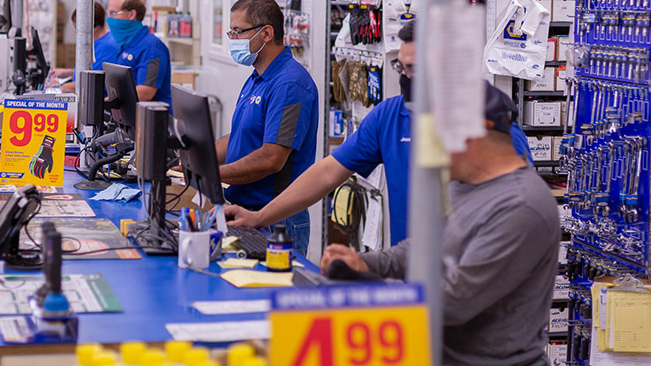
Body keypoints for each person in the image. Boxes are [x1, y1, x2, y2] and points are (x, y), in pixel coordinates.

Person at [225, 20, 533, 246]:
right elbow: (327, 173)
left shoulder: (491, 127)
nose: (406, 77)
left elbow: (516, 218)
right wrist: (259, 218)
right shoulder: (391, 115)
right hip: (411, 270)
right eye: (401, 68)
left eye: (414, 68)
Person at [320, 83, 560, 366]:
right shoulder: (463, 184)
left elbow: (453, 302)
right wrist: (366, 263)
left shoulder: (522, 206)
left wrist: (369, 286)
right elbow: (426, 246)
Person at [216, 0, 318, 256]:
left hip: (276, 220)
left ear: (266, 33)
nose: (232, 40)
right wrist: (193, 157)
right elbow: (240, 136)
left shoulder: (290, 84)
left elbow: (271, 158)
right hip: (245, 211)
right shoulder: (257, 77)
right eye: (231, 32)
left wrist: (213, 174)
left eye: (238, 32)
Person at [105, 0, 171, 106]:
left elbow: (145, 93)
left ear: (131, 15)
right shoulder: (127, 44)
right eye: (108, 13)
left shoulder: (152, 47)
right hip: (127, 115)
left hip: (149, 119)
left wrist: (106, 102)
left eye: (113, 13)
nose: (109, 18)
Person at [53, 3, 120, 93]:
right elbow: (91, 71)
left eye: (77, 27)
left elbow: (91, 83)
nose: (76, 31)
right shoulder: (100, 41)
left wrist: (57, 86)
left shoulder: (107, 47)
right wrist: (68, 72)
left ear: (91, 27)